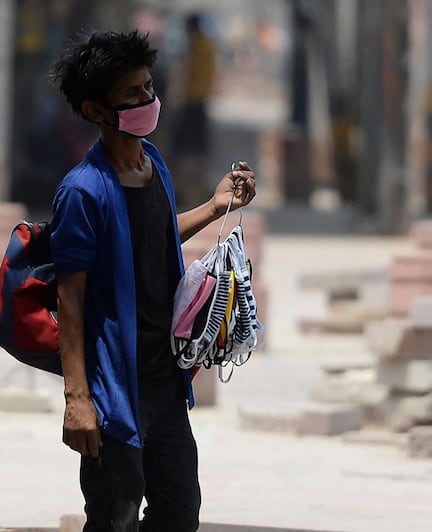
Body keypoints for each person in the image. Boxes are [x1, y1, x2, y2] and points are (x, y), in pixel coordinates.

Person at [48, 30, 256, 531]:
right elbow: (69, 301)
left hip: (164, 380)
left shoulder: (153, 163)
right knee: (114, 516)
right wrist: (78, 401)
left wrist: (213, 207)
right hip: (114, 386)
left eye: (148, 87)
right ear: (96, 110)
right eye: (132, 94)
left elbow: (157, 236)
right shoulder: (82, 192)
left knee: (179, 511)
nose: (148, 100)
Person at [171, 13, 217, 209]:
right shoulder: (207, 45)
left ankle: (185, 188)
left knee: (184, 147)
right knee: (199, 147)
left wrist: (180, 97)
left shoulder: (196, 47)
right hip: (201, 100)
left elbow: (189, 74)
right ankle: (196, 187)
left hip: (192, 102)